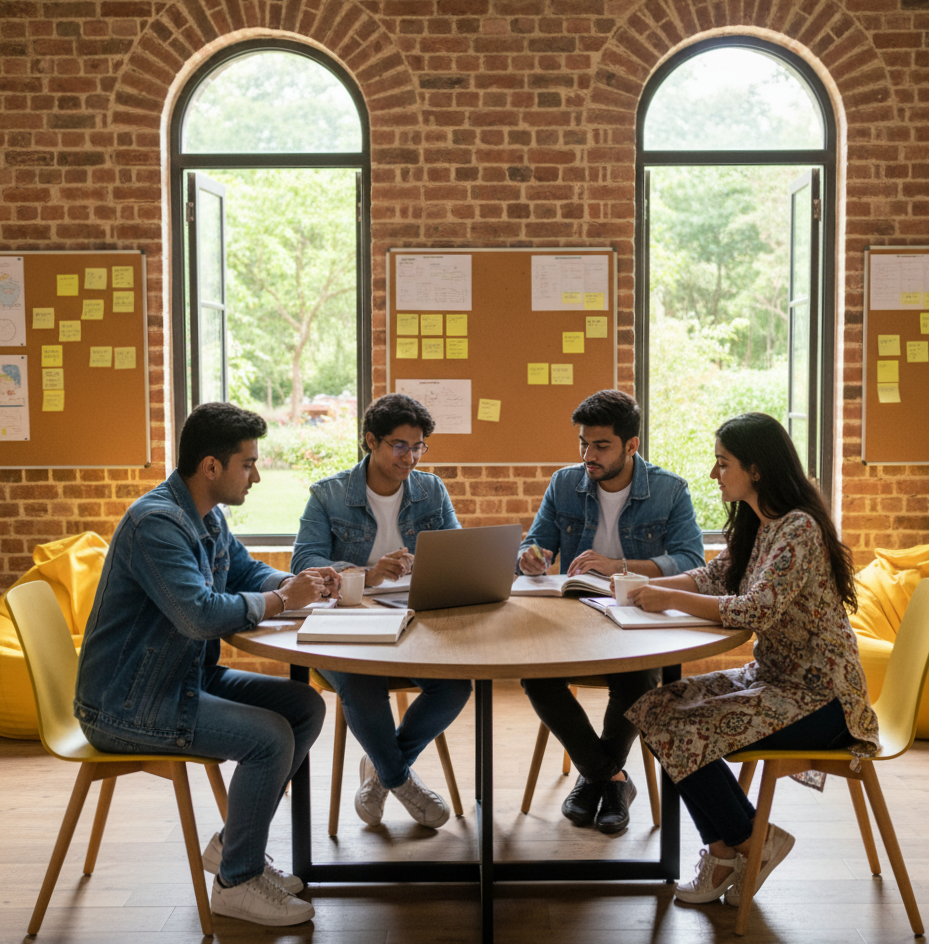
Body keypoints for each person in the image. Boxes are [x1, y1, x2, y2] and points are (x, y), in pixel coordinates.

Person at [75, 402, 336, 928]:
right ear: (211, 467)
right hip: (128, 703)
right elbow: (197, 615)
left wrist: (291, 584)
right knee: (269, 739)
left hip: (179, 678)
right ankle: (236, 883)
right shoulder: (156, 524)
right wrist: (282, 602)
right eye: (248, 463)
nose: (257, 475)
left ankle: (231, 847)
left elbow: (242, 569)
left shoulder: (206, 516)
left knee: (303, 706)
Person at [625, 412, 880, 906]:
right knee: (653, 711)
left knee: (684, 728)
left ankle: (745, 844)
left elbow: (757, 609)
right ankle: (732, 846)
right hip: (773, 678)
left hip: (823, 700)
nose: (714, 474)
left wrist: (668, 599)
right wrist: (648, 588)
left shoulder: (798, 528)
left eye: (723, 464)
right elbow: (712, 577)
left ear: (756, 469)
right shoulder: (757, 522)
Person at [516, 389, 704, 833]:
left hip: (639, 616)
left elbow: (692, 562)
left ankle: (593, 778)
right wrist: (529, 556)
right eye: (583, 443)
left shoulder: (669, 490)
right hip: (575, 617)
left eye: (601, 446)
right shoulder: (565, 483)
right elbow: (534, 542)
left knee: (637, 679)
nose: (588, 455)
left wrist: (618, 567)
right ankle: (610, 777)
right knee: (535, 675)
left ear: (631, 445)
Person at [291, 393, 471, 829]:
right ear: (370, 440)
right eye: (400, 446)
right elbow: (303, 565)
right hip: (346, 621)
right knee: (360, 681)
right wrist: (368, 575)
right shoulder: (329, 495)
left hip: (416, 618)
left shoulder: (432, 490)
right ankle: (400, 780)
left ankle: (380, 772)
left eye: (418, 447)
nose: (410, 458)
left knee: (456, 686)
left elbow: (458, 552)